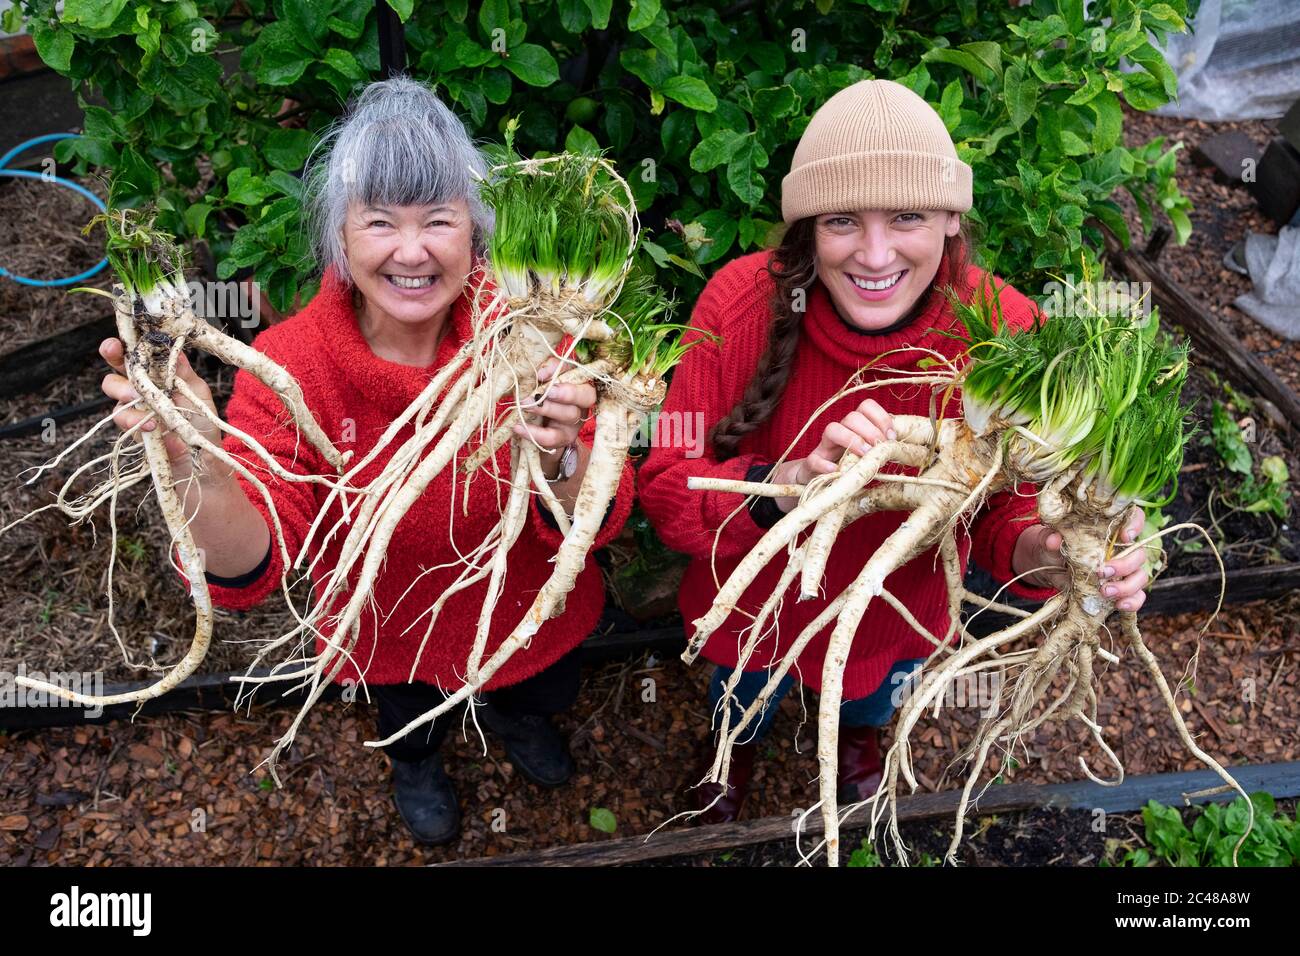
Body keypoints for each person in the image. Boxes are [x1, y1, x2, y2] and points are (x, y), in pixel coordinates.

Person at [98, 76, 634, 845]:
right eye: (379, 221)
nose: (411, 251)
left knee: (539, 691)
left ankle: (523, 726)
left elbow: (601, 516)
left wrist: (560, 455)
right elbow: (253, 566)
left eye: (439, 220)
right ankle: (416, 764)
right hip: (388, 635)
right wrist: (202, 464)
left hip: (531, 615)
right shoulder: (289, 364)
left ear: (475, 233)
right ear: (339, 237)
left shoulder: (534, 338)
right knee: (409, 722)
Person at [637, 79, 1150, 823]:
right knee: (740, 690)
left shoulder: (1007, 330)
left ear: (949, 217)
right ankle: (731, 748)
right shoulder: (734, 304)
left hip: (897, 613)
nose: (874, 254)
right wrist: (784, 486)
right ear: (809, 225)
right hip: (751, 610)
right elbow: (666, 482)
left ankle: (858, 742)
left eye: (906, 216)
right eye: (842, 220)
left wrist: (1059, 552)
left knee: (873, 693)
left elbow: (1011, 517)